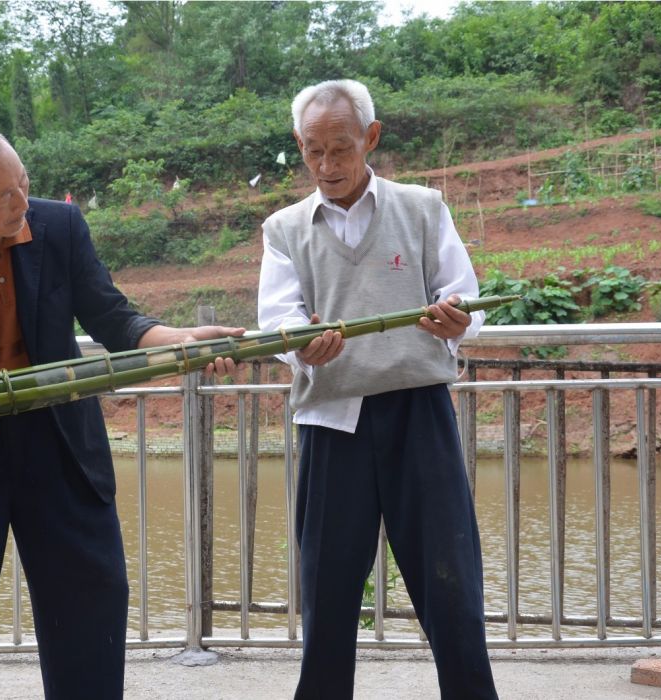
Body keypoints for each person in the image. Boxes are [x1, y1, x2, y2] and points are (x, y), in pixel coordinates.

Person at [0, 121, 243, 699]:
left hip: (59, 443)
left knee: (88, 603)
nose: (22, 202)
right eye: (2, 196)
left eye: (22, 183)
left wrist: (179, 340)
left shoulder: (60, 226)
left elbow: (112, 318)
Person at [256, 80, 499, 698]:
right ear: (299, 146)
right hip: (332, 420)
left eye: (341, 149)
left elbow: (462, 297)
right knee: (328, 588)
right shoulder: (284, 228)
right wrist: (298, 343)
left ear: (371, 137)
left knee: (451, 584)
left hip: (419, 411)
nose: (327, 165)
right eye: (314, 151)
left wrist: (458, 320)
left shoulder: (422, 207)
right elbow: (277, 322)